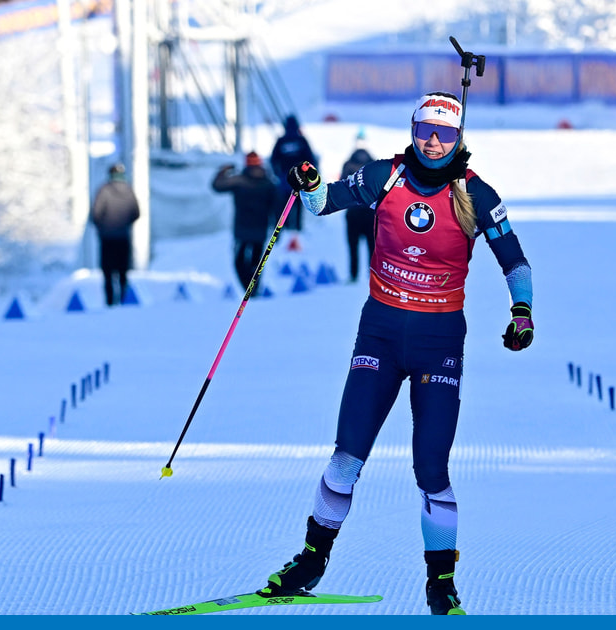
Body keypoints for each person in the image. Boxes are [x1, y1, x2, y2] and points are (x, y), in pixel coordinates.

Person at [258, 92, 535, 615]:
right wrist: (311, 185)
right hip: (380, 335)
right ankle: (310, 563)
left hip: (438, 343)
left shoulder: (477, 195)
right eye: (425, 130)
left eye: (445, 133)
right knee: (346, 457)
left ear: (458, 138)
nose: (434, 140)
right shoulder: (384, 176)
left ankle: (442, 585)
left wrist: (522, 312)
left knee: (431, 468)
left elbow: (515, 260)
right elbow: (324, 204)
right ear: (412, 130)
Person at [211, 152, 276, 295]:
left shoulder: (240, 181)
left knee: (242, 262)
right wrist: (278, 228)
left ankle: (251, 291)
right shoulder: (267, 182)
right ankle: (252, 290)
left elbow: (217, 186)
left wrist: (223, 172)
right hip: (255, 229)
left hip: (245, 229)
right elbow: (277, 208)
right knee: (253, 263)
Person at [90, 163, 141, 306]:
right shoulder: (129, 191)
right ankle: (124, 298)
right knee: (123, 270)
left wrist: (105, 226)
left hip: (107, 238)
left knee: (108, 271)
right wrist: (124, 224)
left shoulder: (104, 191)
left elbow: (96, 214)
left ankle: (110, 301)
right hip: (123, 237)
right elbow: (136, 213)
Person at [270, 115, 317, 231]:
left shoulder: (281, 141)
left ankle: (284, 227)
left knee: (285, 204)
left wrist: (276, 173)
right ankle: (297, 227)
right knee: (299, 203)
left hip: (285, 178)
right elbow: (310, 159)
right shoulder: (301, 140)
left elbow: (273, 159)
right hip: (300, 178)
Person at [340, 145, 375, 282]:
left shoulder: (348, 165)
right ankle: (372, 275)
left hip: (355, 212)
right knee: (371, 246)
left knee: (354, 247)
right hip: (368, 213)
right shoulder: (374, 166)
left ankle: (354, 275)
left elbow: (342, 187)